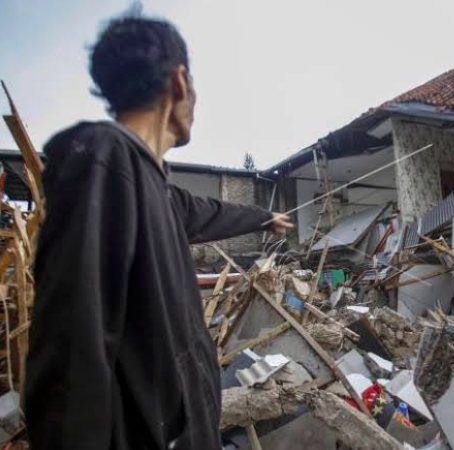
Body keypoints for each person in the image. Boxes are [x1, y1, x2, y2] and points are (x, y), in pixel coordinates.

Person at [24, 13, 293, 450]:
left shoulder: (156, 189)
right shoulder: (104, 159)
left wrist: (265, 218)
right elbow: (68, 357)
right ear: (179, 81)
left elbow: (211, 212)